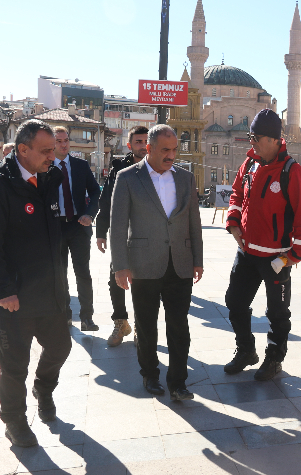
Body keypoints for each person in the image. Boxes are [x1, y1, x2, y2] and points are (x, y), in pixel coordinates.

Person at [0, 119, 71, 447]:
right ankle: (14, 420)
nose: (53, 157)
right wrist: (3, 290)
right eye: (45, 151)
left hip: (50, 289)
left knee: (61, 346)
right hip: (13, 296)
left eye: (54, 150)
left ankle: (43, 388)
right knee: (14, 364)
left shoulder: (50, 178)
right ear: (22, 150)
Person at [110, 125, 204, 401]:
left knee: (179, 326)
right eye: (165, 150)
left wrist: (197, 259)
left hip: (180, 263)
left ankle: (178, 382)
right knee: (146, 325)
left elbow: (193, 222)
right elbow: (118, 225)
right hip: (143, 264)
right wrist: (120, 265)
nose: (171, 155)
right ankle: (150, 375)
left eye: (175, 149)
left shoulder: (186, 178)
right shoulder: (127, 178)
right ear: (148, 149)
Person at [222, 109, 301, 381]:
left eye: (256, 137)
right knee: (234, 302)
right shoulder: (249, 164)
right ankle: (246, 351)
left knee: (277, 313)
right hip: (247, 252)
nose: (252, 142)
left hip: (276, 259)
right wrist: (233, 221)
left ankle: (274, 359)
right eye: (250, 136)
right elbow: (237, 193)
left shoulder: (292, 172)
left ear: (274, 139)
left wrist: (293, 256)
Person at [96, 125, 148, 347]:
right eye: (138, 142)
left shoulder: (157, 167)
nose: (143, 146)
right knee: (115, 279)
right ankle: (121, 322)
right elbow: (106, 201)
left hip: (147, 235)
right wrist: (101, 232)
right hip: (122, 234)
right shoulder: (119, 168)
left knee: (142, 283)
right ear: (130, 145)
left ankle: (140, 326)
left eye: (146, 141)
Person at [52, 126, 101, 331]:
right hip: (55, 228)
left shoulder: (80, 165)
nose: (64, 144)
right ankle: (65, 316)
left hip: (79, 226)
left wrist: (89, 214)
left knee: (83, 272)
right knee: (59, 275)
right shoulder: (45, 167)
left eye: (66, 140)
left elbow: (96, 192)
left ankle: (87, 317)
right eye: (59, 141)